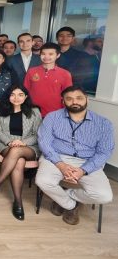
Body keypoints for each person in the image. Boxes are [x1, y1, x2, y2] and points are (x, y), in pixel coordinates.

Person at [35, 86, 114, 226]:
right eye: (69, 99)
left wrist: (83, 170)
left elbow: (104, 152)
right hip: (56, 157)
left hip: (88, 161)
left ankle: (67, 196)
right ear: (63, 101)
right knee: (42, 181)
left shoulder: (103, 123)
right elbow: (44, 142)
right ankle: (71, 206)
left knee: (105, 196)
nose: (74, 102)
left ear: (87, 100)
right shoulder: (52, 117)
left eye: (79, 98)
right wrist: (60, 164)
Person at [0, 85, 42, 221]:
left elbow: (37, 134)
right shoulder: (1, 111)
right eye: (13, 94)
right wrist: (10, 142)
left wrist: (23, 143)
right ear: (8, 97)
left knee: (18, 152)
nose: (16, 98)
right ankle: (18, 202)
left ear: (26, 97)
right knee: (18, 161)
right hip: (6, 145)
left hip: (29, 146)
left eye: (20, 95)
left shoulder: (34, 111)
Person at [24, 43, 72, 117]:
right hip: (33, 113)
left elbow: (68, 95)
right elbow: (25, 91)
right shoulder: (31, 71)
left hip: (55, 114)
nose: (46, 57)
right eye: (43, 54)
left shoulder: (65, 74)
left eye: (50, 54)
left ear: (58, 55)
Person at [55, 26, 99, 93]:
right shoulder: (50, 54)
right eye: (61, 35)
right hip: (52, 87)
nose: (64, 38)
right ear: (57, 38)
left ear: (73, 38)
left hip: (71, 90)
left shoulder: (81, 55)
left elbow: (85, 76)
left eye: (68, 36)